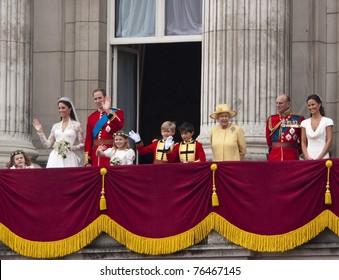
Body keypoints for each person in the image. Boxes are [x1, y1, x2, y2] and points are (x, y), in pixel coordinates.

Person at [32, 97, 85, 168]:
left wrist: (71, 147)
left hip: (69, 157)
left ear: (70, 109)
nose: (61, 110)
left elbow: (83, 144)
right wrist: (40, 132)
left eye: (63, 108)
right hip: (55, 157)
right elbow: (47, 145)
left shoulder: (76, 125)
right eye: (59, 108)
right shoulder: (55, 126)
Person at [84, 88, 124, 166]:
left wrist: (108, 110)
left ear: (105, 98)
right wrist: (87, 160)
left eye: (100, 98)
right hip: (95, 155)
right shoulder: (91, 117)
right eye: (95, 99)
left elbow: (119, 125)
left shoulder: (117, 112)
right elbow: (88, 140)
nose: (97, 101)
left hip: (111, 152)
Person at [266, 93, 304, 161]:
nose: (278, 105)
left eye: (280, 103)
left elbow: (302, 140)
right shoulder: (271, 119)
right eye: (276, 103)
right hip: (274, 156)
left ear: (288, 104)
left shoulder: (297, 119)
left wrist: (297, 151)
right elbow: (269, 141)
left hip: (291, 156)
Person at [301, 94, 333, 160]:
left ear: (319, 104)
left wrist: (319, 158)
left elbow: (329, 140)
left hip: (323, 158)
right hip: (309, 158)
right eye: (309, 105)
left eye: (313, 104)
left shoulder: (328, 121)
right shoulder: (304, 123)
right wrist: (307, 157)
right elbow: (303, 142)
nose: (311, 107)